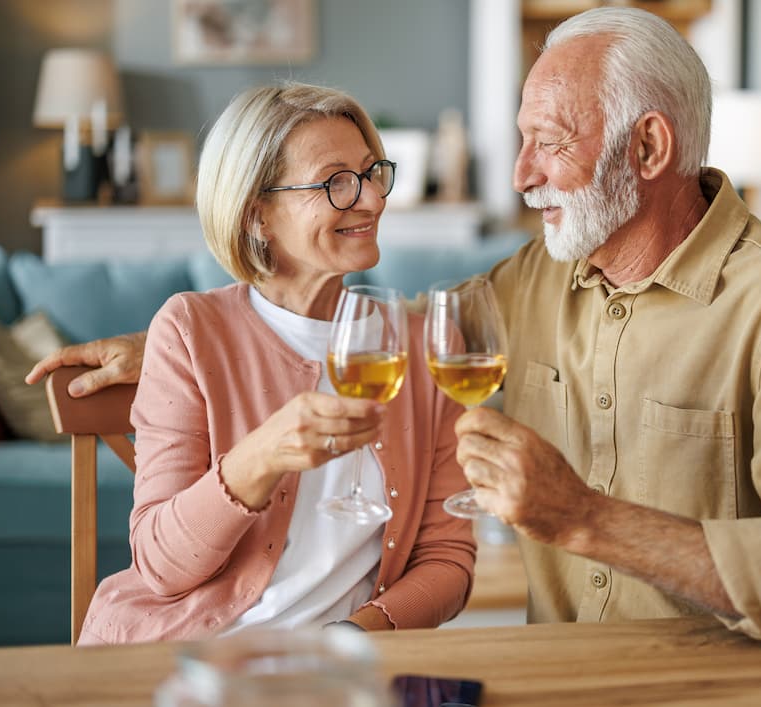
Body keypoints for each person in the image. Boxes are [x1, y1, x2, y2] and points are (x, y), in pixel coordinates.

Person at [29, 9, 761, 652]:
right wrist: (177, 350)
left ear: (645, 150)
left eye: (546, 143)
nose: (519, 176)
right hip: (542, 672)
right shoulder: (530, 285)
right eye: (517, 140)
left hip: (718, 677)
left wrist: (589, 519)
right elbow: (389, 331)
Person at [43, 82, 476, 645]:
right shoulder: (190, 330)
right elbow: (160, 566)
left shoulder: (421, 346)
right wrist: (261, 455)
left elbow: (447, 559)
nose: (370, 200)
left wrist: (351, 637)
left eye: (372, 173)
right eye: (335, 183)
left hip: (337, 672)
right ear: (257, 215)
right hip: (181, 657)